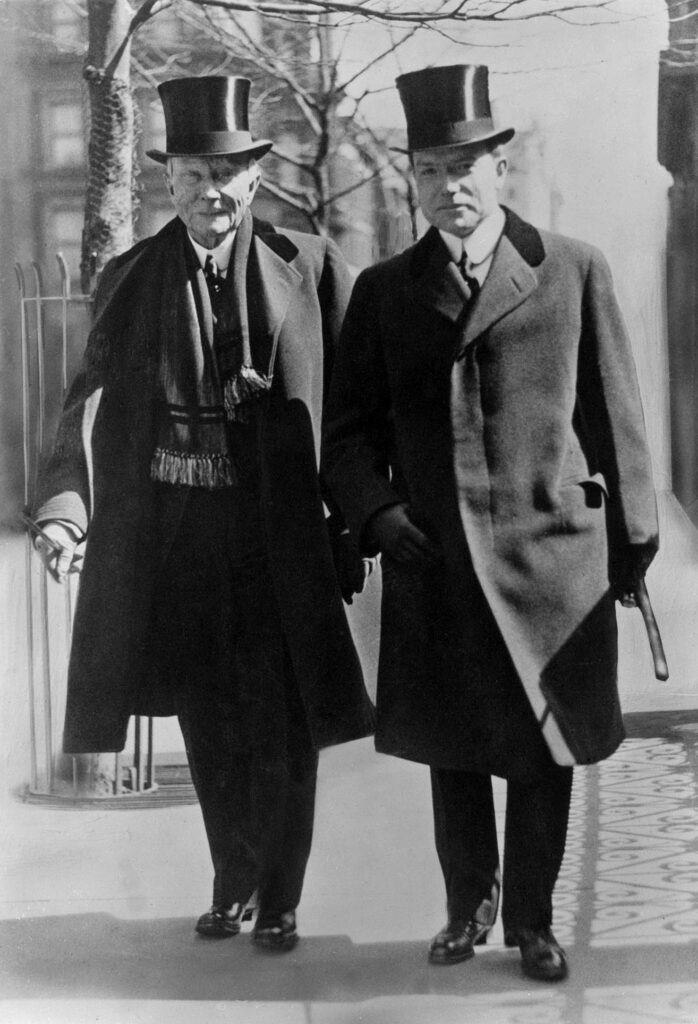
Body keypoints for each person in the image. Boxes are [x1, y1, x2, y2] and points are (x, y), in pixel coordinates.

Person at [322, 64, 658, 982]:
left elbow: (615, 417)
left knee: (545, 745)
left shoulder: (571, 269)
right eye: (430, 170)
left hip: (553, 561)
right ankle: (465, 906)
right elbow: (347, 434)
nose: (449, 188)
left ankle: (534, 921)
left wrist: (632, 549)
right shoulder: (386, 292)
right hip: (437, 560)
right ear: (412, 181)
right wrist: (379, 511)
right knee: (456, 747)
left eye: (466, 167)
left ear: (498, 170)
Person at [32, 74, 374, 952]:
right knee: (210, 718)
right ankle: (233, 878)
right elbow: (83, 399)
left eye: (226, 174)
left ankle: (284, 895)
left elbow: (352, 413)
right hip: (176, 536)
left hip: (280, 535)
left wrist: (361, 514)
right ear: (167, 183)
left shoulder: (313, 264)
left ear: (255, 178)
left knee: (285, 719)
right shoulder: (130, 277)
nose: (209, 192)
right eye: (190, 175)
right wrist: (66, 508)